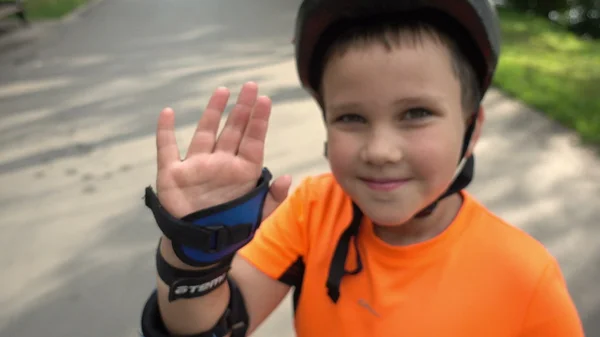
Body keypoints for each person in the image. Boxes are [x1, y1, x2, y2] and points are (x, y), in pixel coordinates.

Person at [139, 0, 585, 336]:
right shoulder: (312, 211)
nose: (381, 150)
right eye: (351, 117)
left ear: (472, 127)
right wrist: (198, 250)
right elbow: (208, 326)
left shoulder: (526, 277)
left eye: (415, 113)